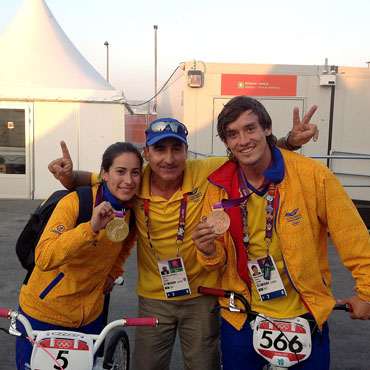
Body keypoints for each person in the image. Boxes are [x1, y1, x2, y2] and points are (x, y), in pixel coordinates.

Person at [48, 110, 319, 370]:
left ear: (186, 152)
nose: (169, 159)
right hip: (154, 297)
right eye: (159, 150)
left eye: (176, 149)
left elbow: (250, 154)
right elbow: (98, 179)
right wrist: (69, 177)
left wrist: (291, 142)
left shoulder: (206, 170)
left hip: (203, 296)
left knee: (203, 365)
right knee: (148, 366)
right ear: (147, 154)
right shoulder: (133, 179)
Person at [192, 96, 370, 370]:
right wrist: (208, 251)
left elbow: (353, 237)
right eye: (233, 134)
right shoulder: (218, 186)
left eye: (250, 128)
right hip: (242, 314)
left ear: (267, 128)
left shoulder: (312, 175)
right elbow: (216, 262)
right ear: (226, 143)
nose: (243, 140)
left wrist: (367, 292)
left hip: (305, 313)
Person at [16, 142, 142, 370]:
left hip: (89, 319)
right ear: (104, 173)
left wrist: (112, 274)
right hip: (44, 314)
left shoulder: (130, 213)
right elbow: (44, 257)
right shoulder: (76, 202)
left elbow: (124, 248)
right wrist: (90, 228)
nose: (129, 180)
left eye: (135, 172)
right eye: (120, 171)